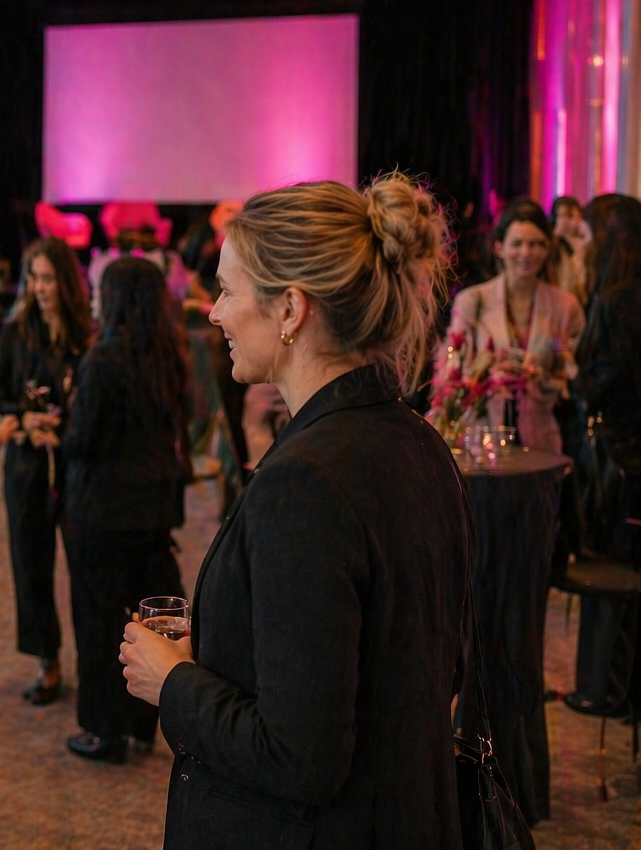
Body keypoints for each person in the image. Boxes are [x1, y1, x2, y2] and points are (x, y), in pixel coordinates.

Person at [119, 176, 468, 847]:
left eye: (226, 290)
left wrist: (176, 683)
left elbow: (300, 757)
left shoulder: (305, 482)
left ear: (290, 309)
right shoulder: (419, 441)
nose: (214, 314)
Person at [62, 256, 189, 764]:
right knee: (148, 617)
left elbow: (83, 442)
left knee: (98, 621)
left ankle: (103, 728)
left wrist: (62, 429)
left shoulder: (102, 360)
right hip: (154, 508)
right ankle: (143, 719)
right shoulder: (169, 357)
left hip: (102, 510)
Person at [0, 236, 92, 704]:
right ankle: (46, 659)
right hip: (27, 464)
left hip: (74, 462)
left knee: (84, 566)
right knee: (30, 563)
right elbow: (1, 395)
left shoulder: (86, 335)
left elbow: (95, 403)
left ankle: (95, 662)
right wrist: (25, 421)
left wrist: (64, 426)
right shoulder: (16, 333)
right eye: (34, 278)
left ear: (66, 281)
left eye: (48, 278)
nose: (40, 287)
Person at [567, 194, 641, 717]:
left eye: (587, 237)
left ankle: (604, 690)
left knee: (611, 572)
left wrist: (571, 378)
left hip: (620, 456)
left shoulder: (615, 302)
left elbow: (605, 380)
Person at [436, 199, 585, 452]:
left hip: (542, 442)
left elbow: (573, 376)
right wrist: (488, 374)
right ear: (499, 247)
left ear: (549, 248)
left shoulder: (565, 307)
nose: (526, 253)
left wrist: (542, 377)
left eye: (537, 244)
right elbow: (449, 374)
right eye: (517, 243)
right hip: (482, 441)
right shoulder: (473, 301)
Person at [551, 195, 591, 305]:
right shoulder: (552, 246)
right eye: (568, 215)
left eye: (576, 215)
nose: (574, 221)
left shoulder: (585, 244)